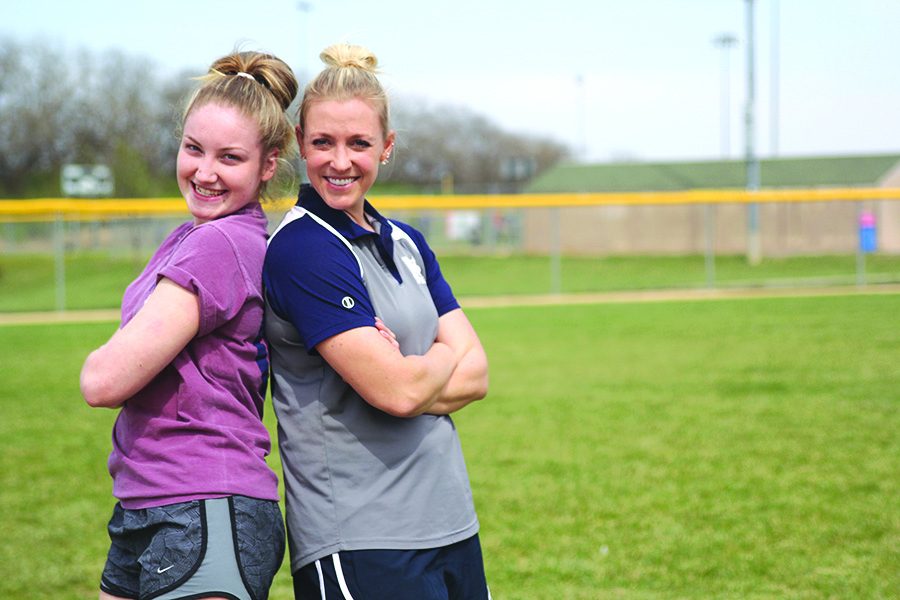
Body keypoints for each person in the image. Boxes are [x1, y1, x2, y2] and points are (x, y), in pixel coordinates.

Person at [263, 43, 491, 599]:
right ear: (299, 143)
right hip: (363, 540)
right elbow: (396, 393)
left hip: (451, 521)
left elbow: (478, 373)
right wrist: (433, 361)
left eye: (359, 143)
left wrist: (412, 371)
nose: (340, 162)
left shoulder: (408, 242)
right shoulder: (304, 250)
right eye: (323, 142)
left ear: (386, 148)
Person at [80, 50, 298, 600]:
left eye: (229, 157)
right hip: (150, 500)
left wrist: (101, 357)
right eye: (193, 148)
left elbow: (103, 381)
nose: (204, 172)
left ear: (267, 164)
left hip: (204, 506)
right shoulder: (194, 235)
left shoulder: (219, 244)